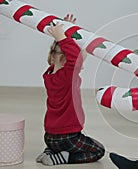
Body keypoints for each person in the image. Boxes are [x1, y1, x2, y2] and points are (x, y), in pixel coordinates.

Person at [35, 14, 105, 166]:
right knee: (98, 150)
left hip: (49, 137)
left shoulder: (49, 75)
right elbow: (74, 58)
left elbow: (67, 54)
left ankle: (51, 151)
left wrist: (65, 32)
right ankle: (60, 158)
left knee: (78, 143)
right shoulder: (67, 77)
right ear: (64, 58)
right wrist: (62, 37)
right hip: (67, 137)